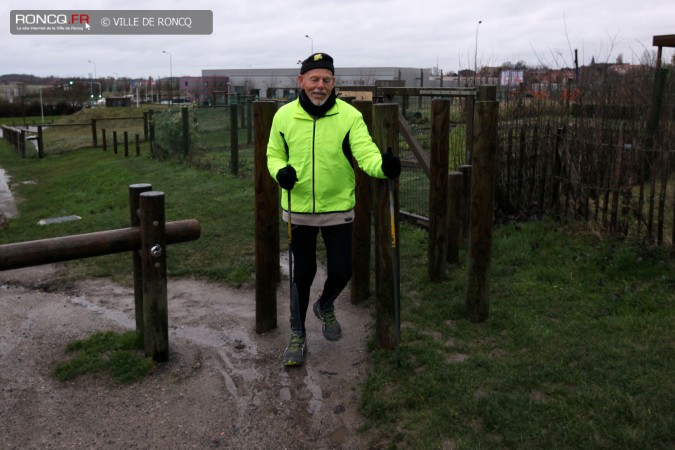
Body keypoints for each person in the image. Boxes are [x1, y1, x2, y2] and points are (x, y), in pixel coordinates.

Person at [267, 52, 401, 367]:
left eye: (326, 80)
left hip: (338, 208)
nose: (320, 85)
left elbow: (366, 153)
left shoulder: (349, 116)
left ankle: (325, 305)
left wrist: (384, 166)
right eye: (314, 79)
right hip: (298, 208)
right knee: (303, 272)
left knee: (343, 270)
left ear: (334, 83)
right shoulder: (284, 117)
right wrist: (280, 172)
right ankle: (297, 333)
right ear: (300, 82)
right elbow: (274, 154)